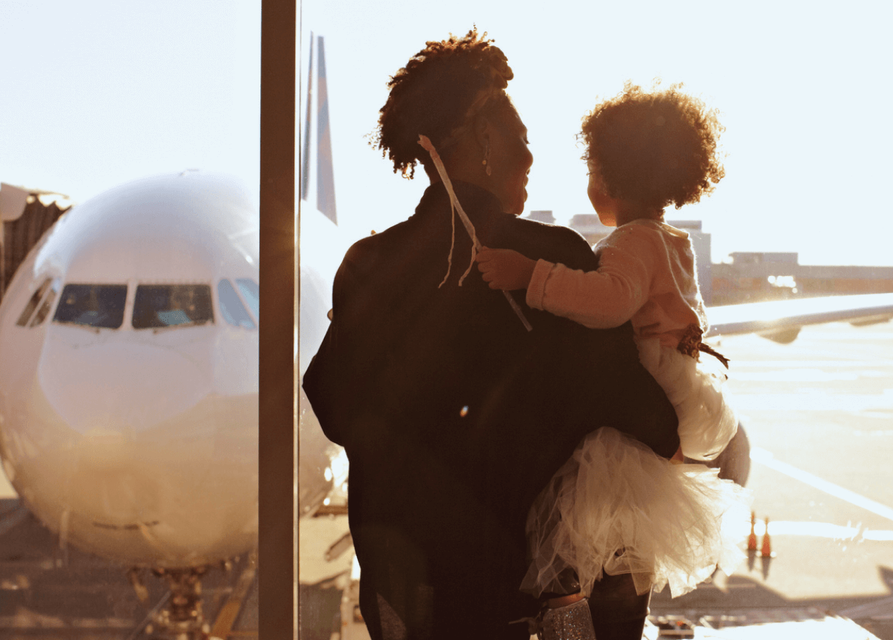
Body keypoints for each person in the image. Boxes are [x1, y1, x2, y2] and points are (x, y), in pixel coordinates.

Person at [302, 31, 679, 640]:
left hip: (414, 595)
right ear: (483, 139)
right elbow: (626, 404)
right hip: (530, 602)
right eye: (521, 142)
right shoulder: (552, 258)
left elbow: (333, 403)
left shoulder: (368, 264)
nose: (529, 160)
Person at [475, 82, 750, 603]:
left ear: (614, 179)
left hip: (645, 391)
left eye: (592, 172)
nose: (589, 184)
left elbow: (609, 303)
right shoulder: (670, 239)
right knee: (627, 545)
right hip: (680, 387)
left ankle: (568, 617)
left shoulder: (632, 240)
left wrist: (531, 275)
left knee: (578, 524)